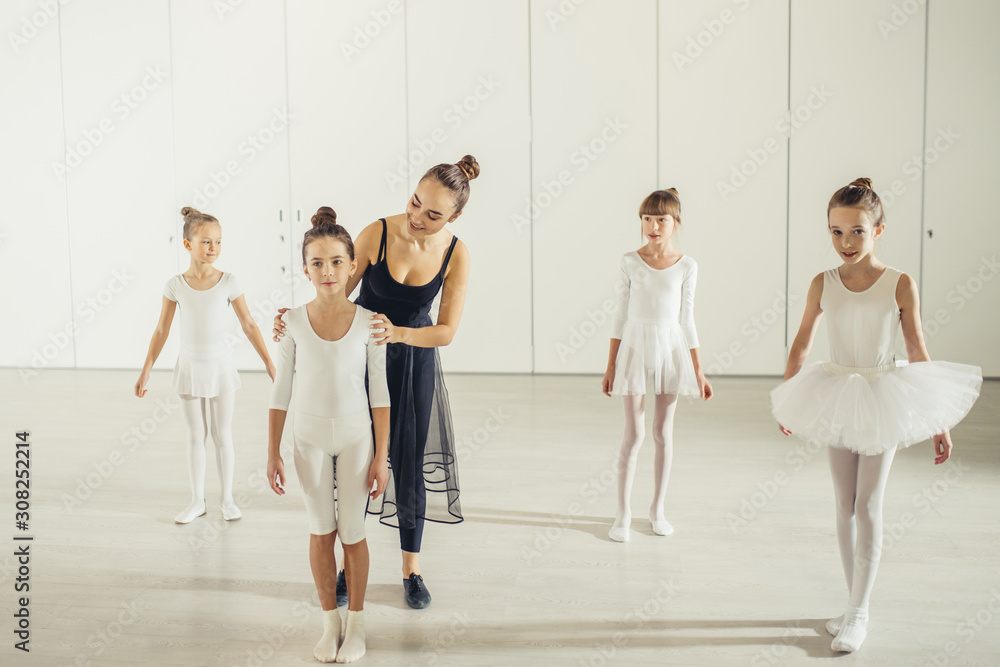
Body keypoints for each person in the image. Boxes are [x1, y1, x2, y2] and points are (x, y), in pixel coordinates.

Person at [771, 177, 982, 653]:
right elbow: (802, 342)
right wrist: (788, 394)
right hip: (835, 391)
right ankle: (853, 605)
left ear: (878, 230)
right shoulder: (823, 283)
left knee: (868, 505)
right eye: (836, 232)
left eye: (857, 231)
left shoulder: (899, 284)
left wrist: (939, 421)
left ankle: (859, 614)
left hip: (882, 392)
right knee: (843, 505)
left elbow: (917, 348)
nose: (846, 242)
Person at [274, 155, 478, 609]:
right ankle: (350, 564)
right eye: (415, 201)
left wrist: (399, 333)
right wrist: (294, 322)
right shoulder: (378, 234)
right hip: (362, 361)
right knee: (358, 461)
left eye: (433, 214)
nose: (417, 216)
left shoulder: (456, 254)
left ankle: (412, 570)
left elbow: (446, 331)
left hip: (413, 362)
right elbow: (333, 297)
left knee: (408, 464)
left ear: (455, 217)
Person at [267, 208, 390, 663]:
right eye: (317, 263)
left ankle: (356, 624)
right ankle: (329, 624)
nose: (328, 271)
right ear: (305, 269)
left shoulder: (370, 323)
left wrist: (381, 457)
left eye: (337, 261)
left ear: (353, 265)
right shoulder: (293, 323)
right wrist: (272, 452)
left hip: (357, 439)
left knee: (353, 533)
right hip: (309, 439)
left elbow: (380, 395)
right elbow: (280, 391)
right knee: (321, 532)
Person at [135, 206, 275, 524]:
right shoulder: (175, 284)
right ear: (188, 244)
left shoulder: (229, 281)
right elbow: (162, 329)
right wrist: (146, 370)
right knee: (195, 436)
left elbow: (249, 324)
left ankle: (227, 500)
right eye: (206, 242)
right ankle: (197, 501)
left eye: (218, 242)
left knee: (222, 435)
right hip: (189, 365)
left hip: (220, 366)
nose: (214, 248)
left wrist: (269, 362)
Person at [601, 188, 713, 542]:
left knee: (663, 433)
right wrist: (611, 365)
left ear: (675, 222)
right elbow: (620, 316)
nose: (652, 226)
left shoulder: (687, 266)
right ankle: (623, 513)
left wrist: (698, 371)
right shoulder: (629, 261)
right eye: (647, 219)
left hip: (670, 349)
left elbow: (687, 320)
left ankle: (657, 510)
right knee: (633, 434)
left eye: (661, 219)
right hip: (634, 347)